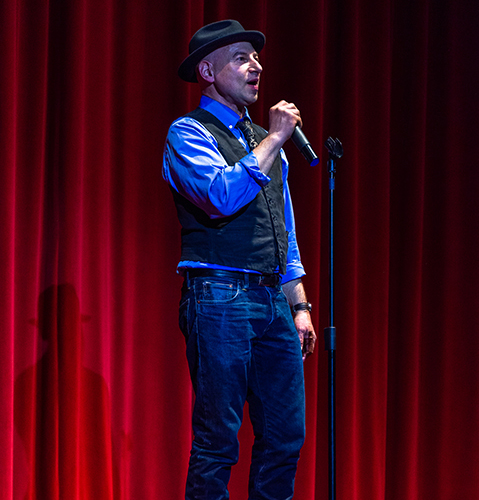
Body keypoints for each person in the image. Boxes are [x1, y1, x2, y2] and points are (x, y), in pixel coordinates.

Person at [163, 19, 316, 500]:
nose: (257, 67)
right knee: (217, 442)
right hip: (219, 296)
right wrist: (273, 139)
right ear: (208, 70)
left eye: (256, 59)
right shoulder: (188, 132)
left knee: (286, 436)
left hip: (271, 298)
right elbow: (219, 197)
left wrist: (299, 304)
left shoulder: (264, 143)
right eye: (242, 59)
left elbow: (282, 227)